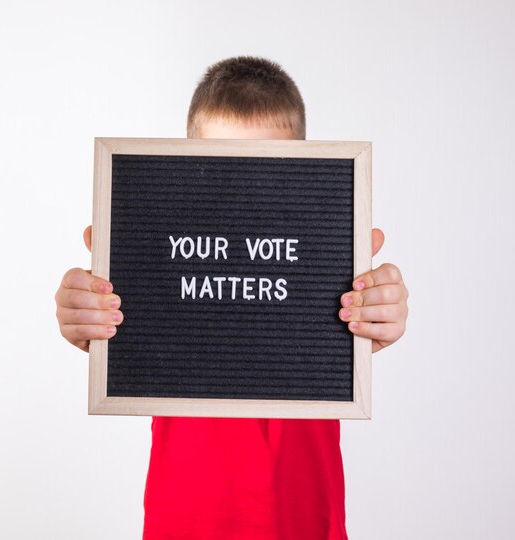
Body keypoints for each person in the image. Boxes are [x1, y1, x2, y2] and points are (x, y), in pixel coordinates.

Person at [55, 56, 409, 539]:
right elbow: (102, 318)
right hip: (183, 521)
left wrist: (378, 313)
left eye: (267, 171)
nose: (243, 192)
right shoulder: (156, 250)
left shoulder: (329, 251)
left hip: (306, 521)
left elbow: (368, 316)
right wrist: (90, 315)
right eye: (222, 171)